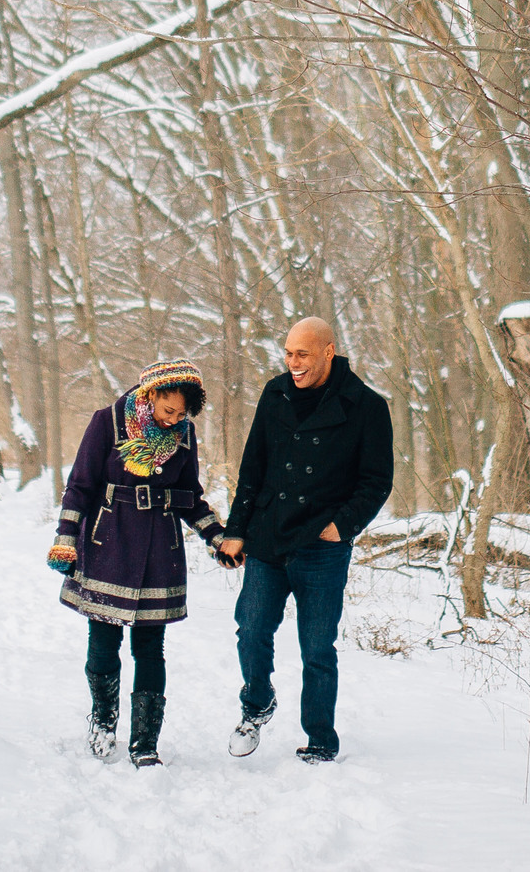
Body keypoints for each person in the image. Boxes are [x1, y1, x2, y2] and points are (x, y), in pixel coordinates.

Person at [214, 317, 393, 763]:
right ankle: (256, 705)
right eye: (289, 354)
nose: (293, 363)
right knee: (251, 630)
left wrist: (341, 525)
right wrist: (236, 531)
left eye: (303, 354)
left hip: (321, 544)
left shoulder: (367, 406)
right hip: (268, 536)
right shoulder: (274, 393)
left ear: (329, 351)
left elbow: (376, 481)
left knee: (317, 647)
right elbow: (252, 470)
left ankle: (320, 738)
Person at [48, 359, 228, 767]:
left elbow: (189, 495)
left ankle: (145, 743)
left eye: (182, 415)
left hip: (158, 550)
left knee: (150, 648)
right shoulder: (107, 423)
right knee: (104, 641)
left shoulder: (184, 436)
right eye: (169, 411)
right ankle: (104, 719)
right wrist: (64, 540)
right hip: (107, 543)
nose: (174, 420)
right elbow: (79, 486)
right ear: (150, 396)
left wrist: (216, 536)